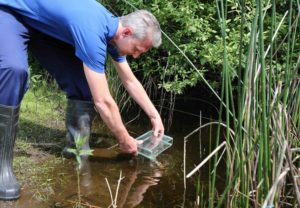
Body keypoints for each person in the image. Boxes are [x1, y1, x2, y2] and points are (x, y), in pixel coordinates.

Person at [0, 0, 164, 200]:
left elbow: (129, 80)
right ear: (127, 33)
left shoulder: (113, 35)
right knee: (13, 70)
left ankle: (75, 150)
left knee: (83, 86)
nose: (137, 56)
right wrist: (124, 139)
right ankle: (2, 168)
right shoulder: (92, 31)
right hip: (11, 12)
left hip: (43, 29)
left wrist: (154, 116)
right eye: (138, 49)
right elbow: (103, 101)